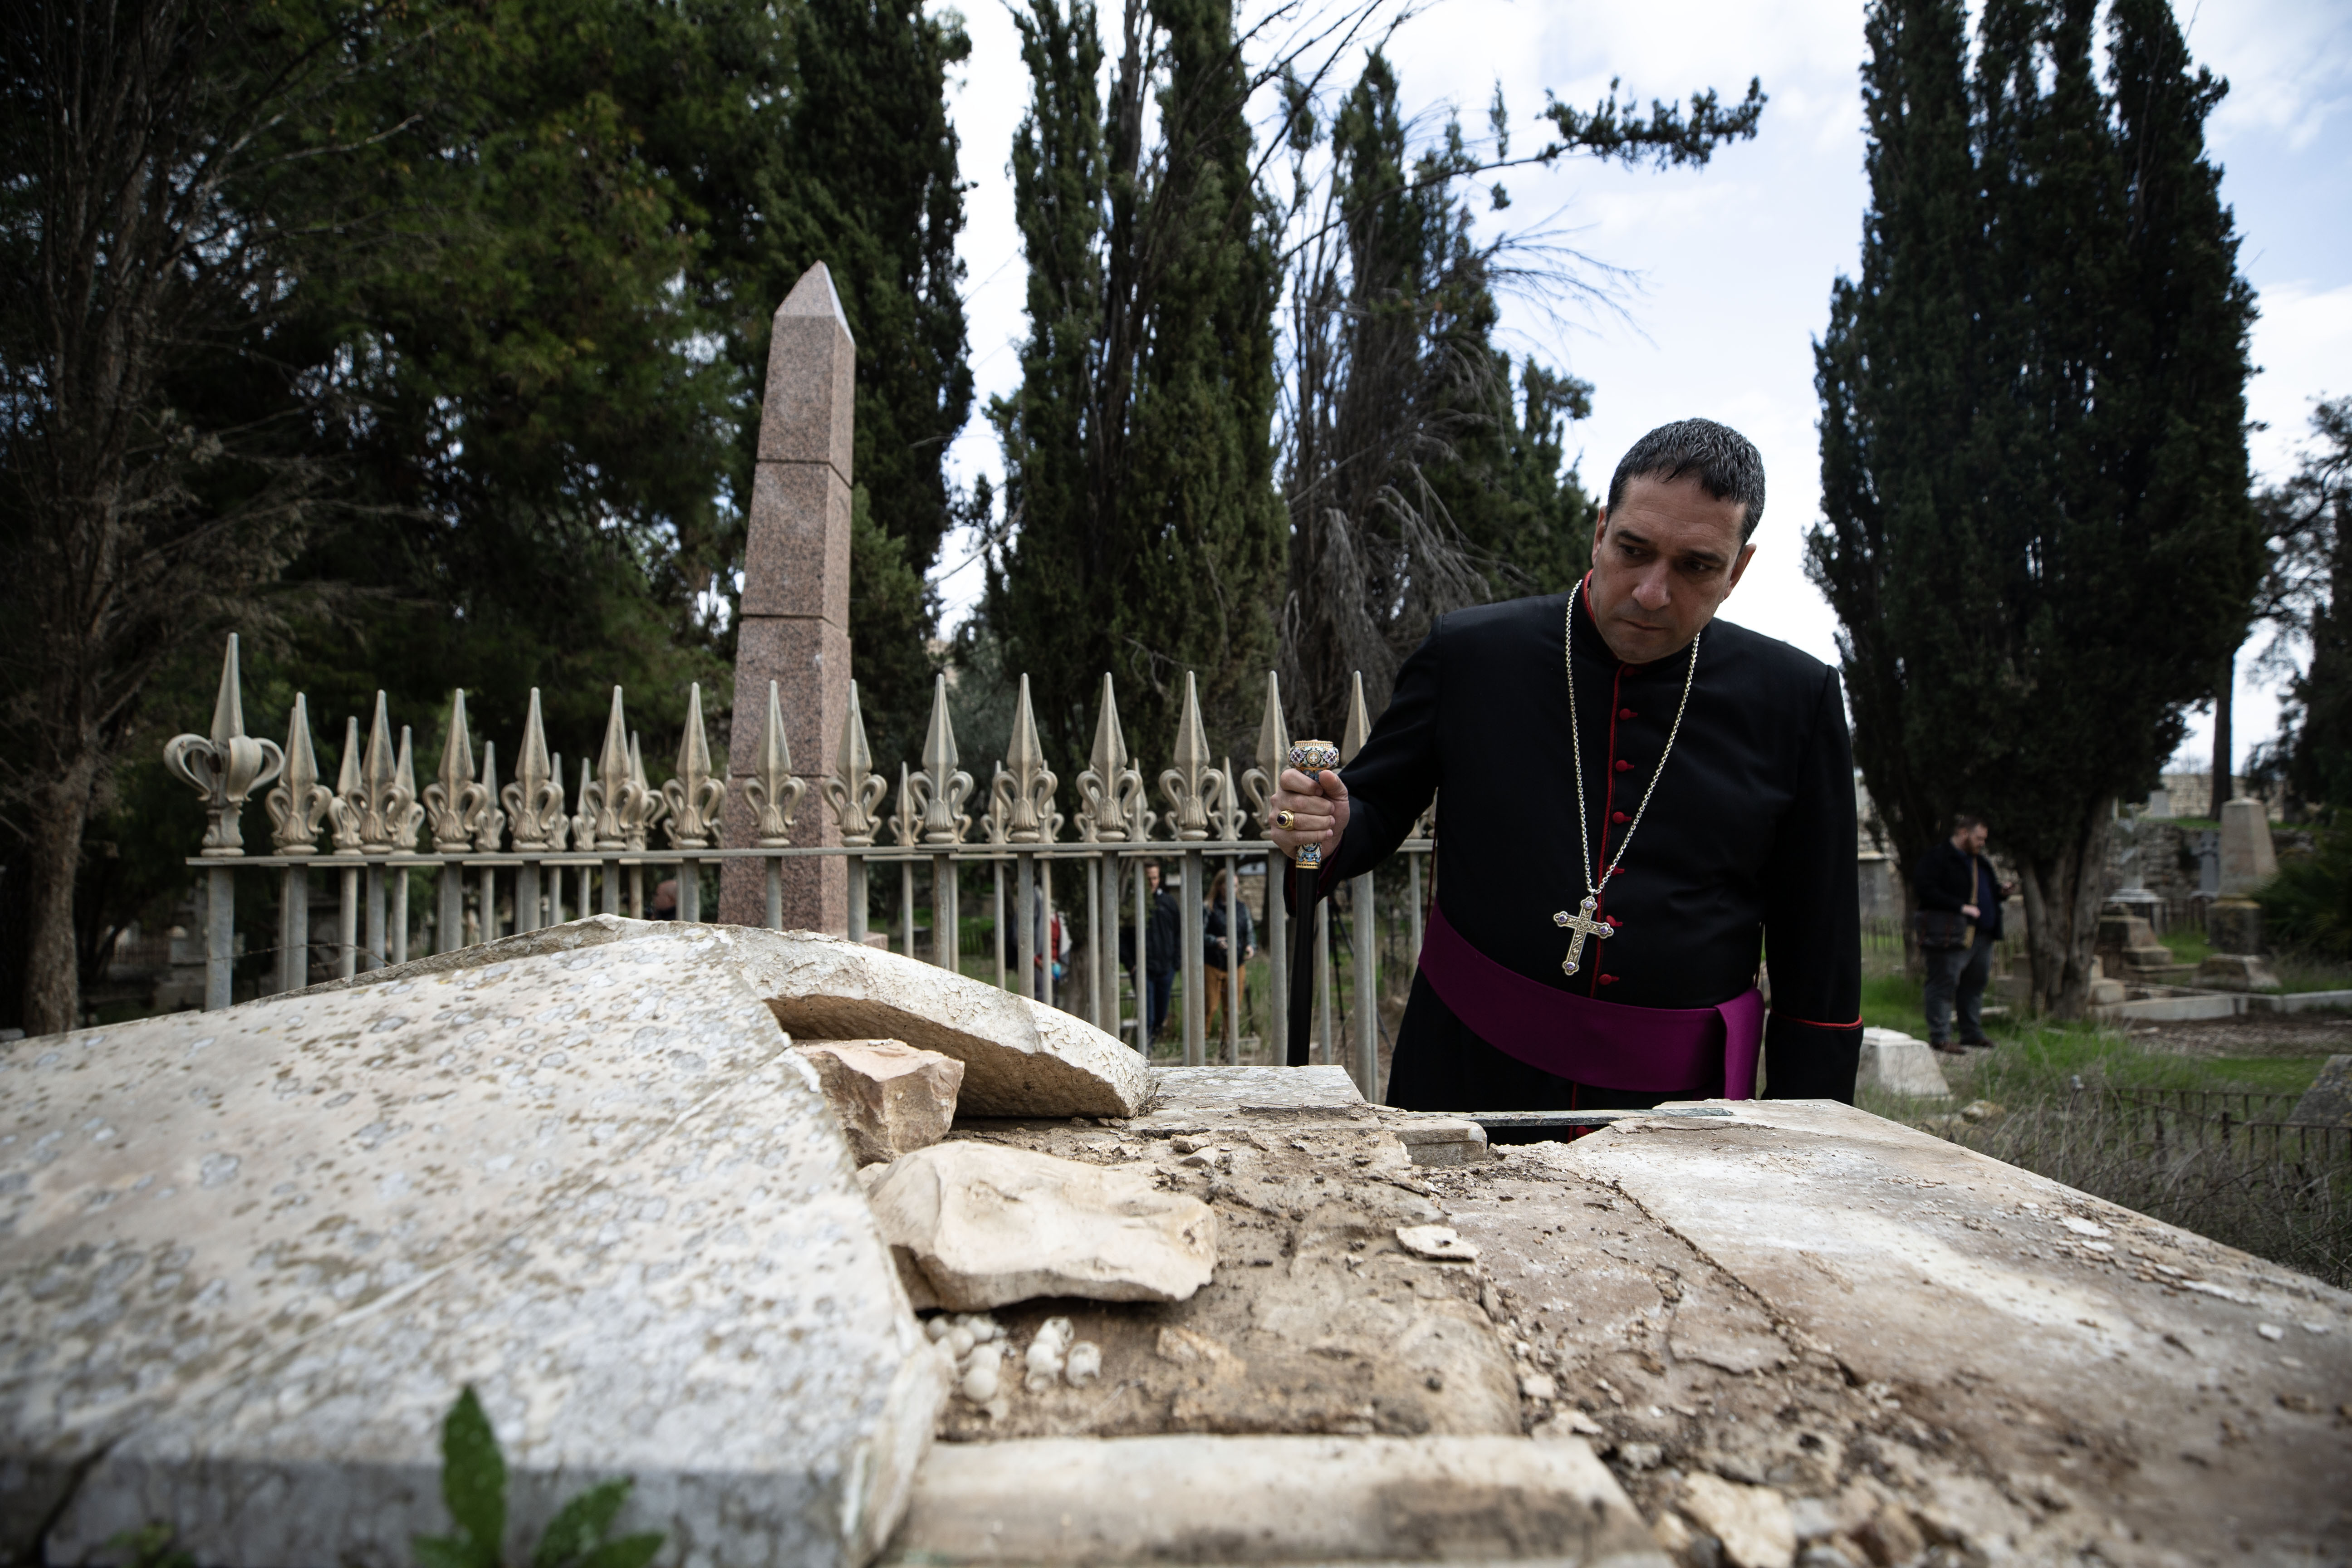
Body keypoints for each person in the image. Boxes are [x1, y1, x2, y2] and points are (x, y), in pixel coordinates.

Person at [1268, 418, 1861, 1111]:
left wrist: (1809, 1127)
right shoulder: (1472, 656)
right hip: (1467, 1073)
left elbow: (1817, 945)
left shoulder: (1796, 699)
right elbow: (1372, 807)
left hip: (1679, 1109)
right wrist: (1333, 825)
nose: (1651, 592)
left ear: (1739, 569)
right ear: (1601, 530)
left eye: (1696, 566)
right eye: (1633, 550)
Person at [1913, 814, 2007, 1054]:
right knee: (1943, 983)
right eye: (1978, 838)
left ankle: (1971, 1033)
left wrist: (2001, 892)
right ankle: (1941, 1037)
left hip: (1982, 935)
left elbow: (1987, 891)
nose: (1982, 843)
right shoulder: (1938, 858)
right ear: (1964, 833)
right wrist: (1959, 907)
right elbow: (1925, 889)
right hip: (1950, 933)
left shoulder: (1980, 863)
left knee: (1974, 985)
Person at [1203, 867, 1257, 1043]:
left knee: (1233, 1009)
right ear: (1220, 887)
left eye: (1235, 886)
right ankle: (1202, 1043)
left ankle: (1227, 1047)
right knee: (1210, 1007)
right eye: (1229, 886)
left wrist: (1251, 947)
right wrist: (1214, 941)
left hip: (1236, 964)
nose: (1233, 890)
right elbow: (1199, 934)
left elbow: (1249, 932)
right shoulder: (1209, 908)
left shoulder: (1242, 908)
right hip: (1213, 964)